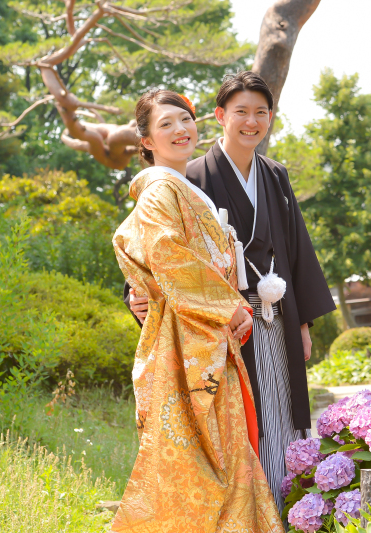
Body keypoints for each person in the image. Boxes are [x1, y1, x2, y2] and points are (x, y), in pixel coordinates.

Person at [125, 72, 336, 514]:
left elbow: (297, 250)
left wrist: (302, 322)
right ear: (220, 116)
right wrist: (136, 293)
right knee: (241, 419)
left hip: (277, 314)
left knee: (283, 410)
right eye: (240, 111)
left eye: (261, 112)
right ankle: (252, 513)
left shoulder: (275, 175)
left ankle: (291, 510)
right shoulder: (189, 177)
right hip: (223, 326)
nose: (251, 121)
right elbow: (160, 251)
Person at [112, 88, 284, 533]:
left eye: (184, 120)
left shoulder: (187, 189)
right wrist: (227, 307)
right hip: (184, 342)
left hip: (203, 338)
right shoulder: (159, 190)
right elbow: (165, 254)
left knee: (222, 454)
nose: (179, 130)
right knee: (197, 458)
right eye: (165, 124)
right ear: (146, 141)